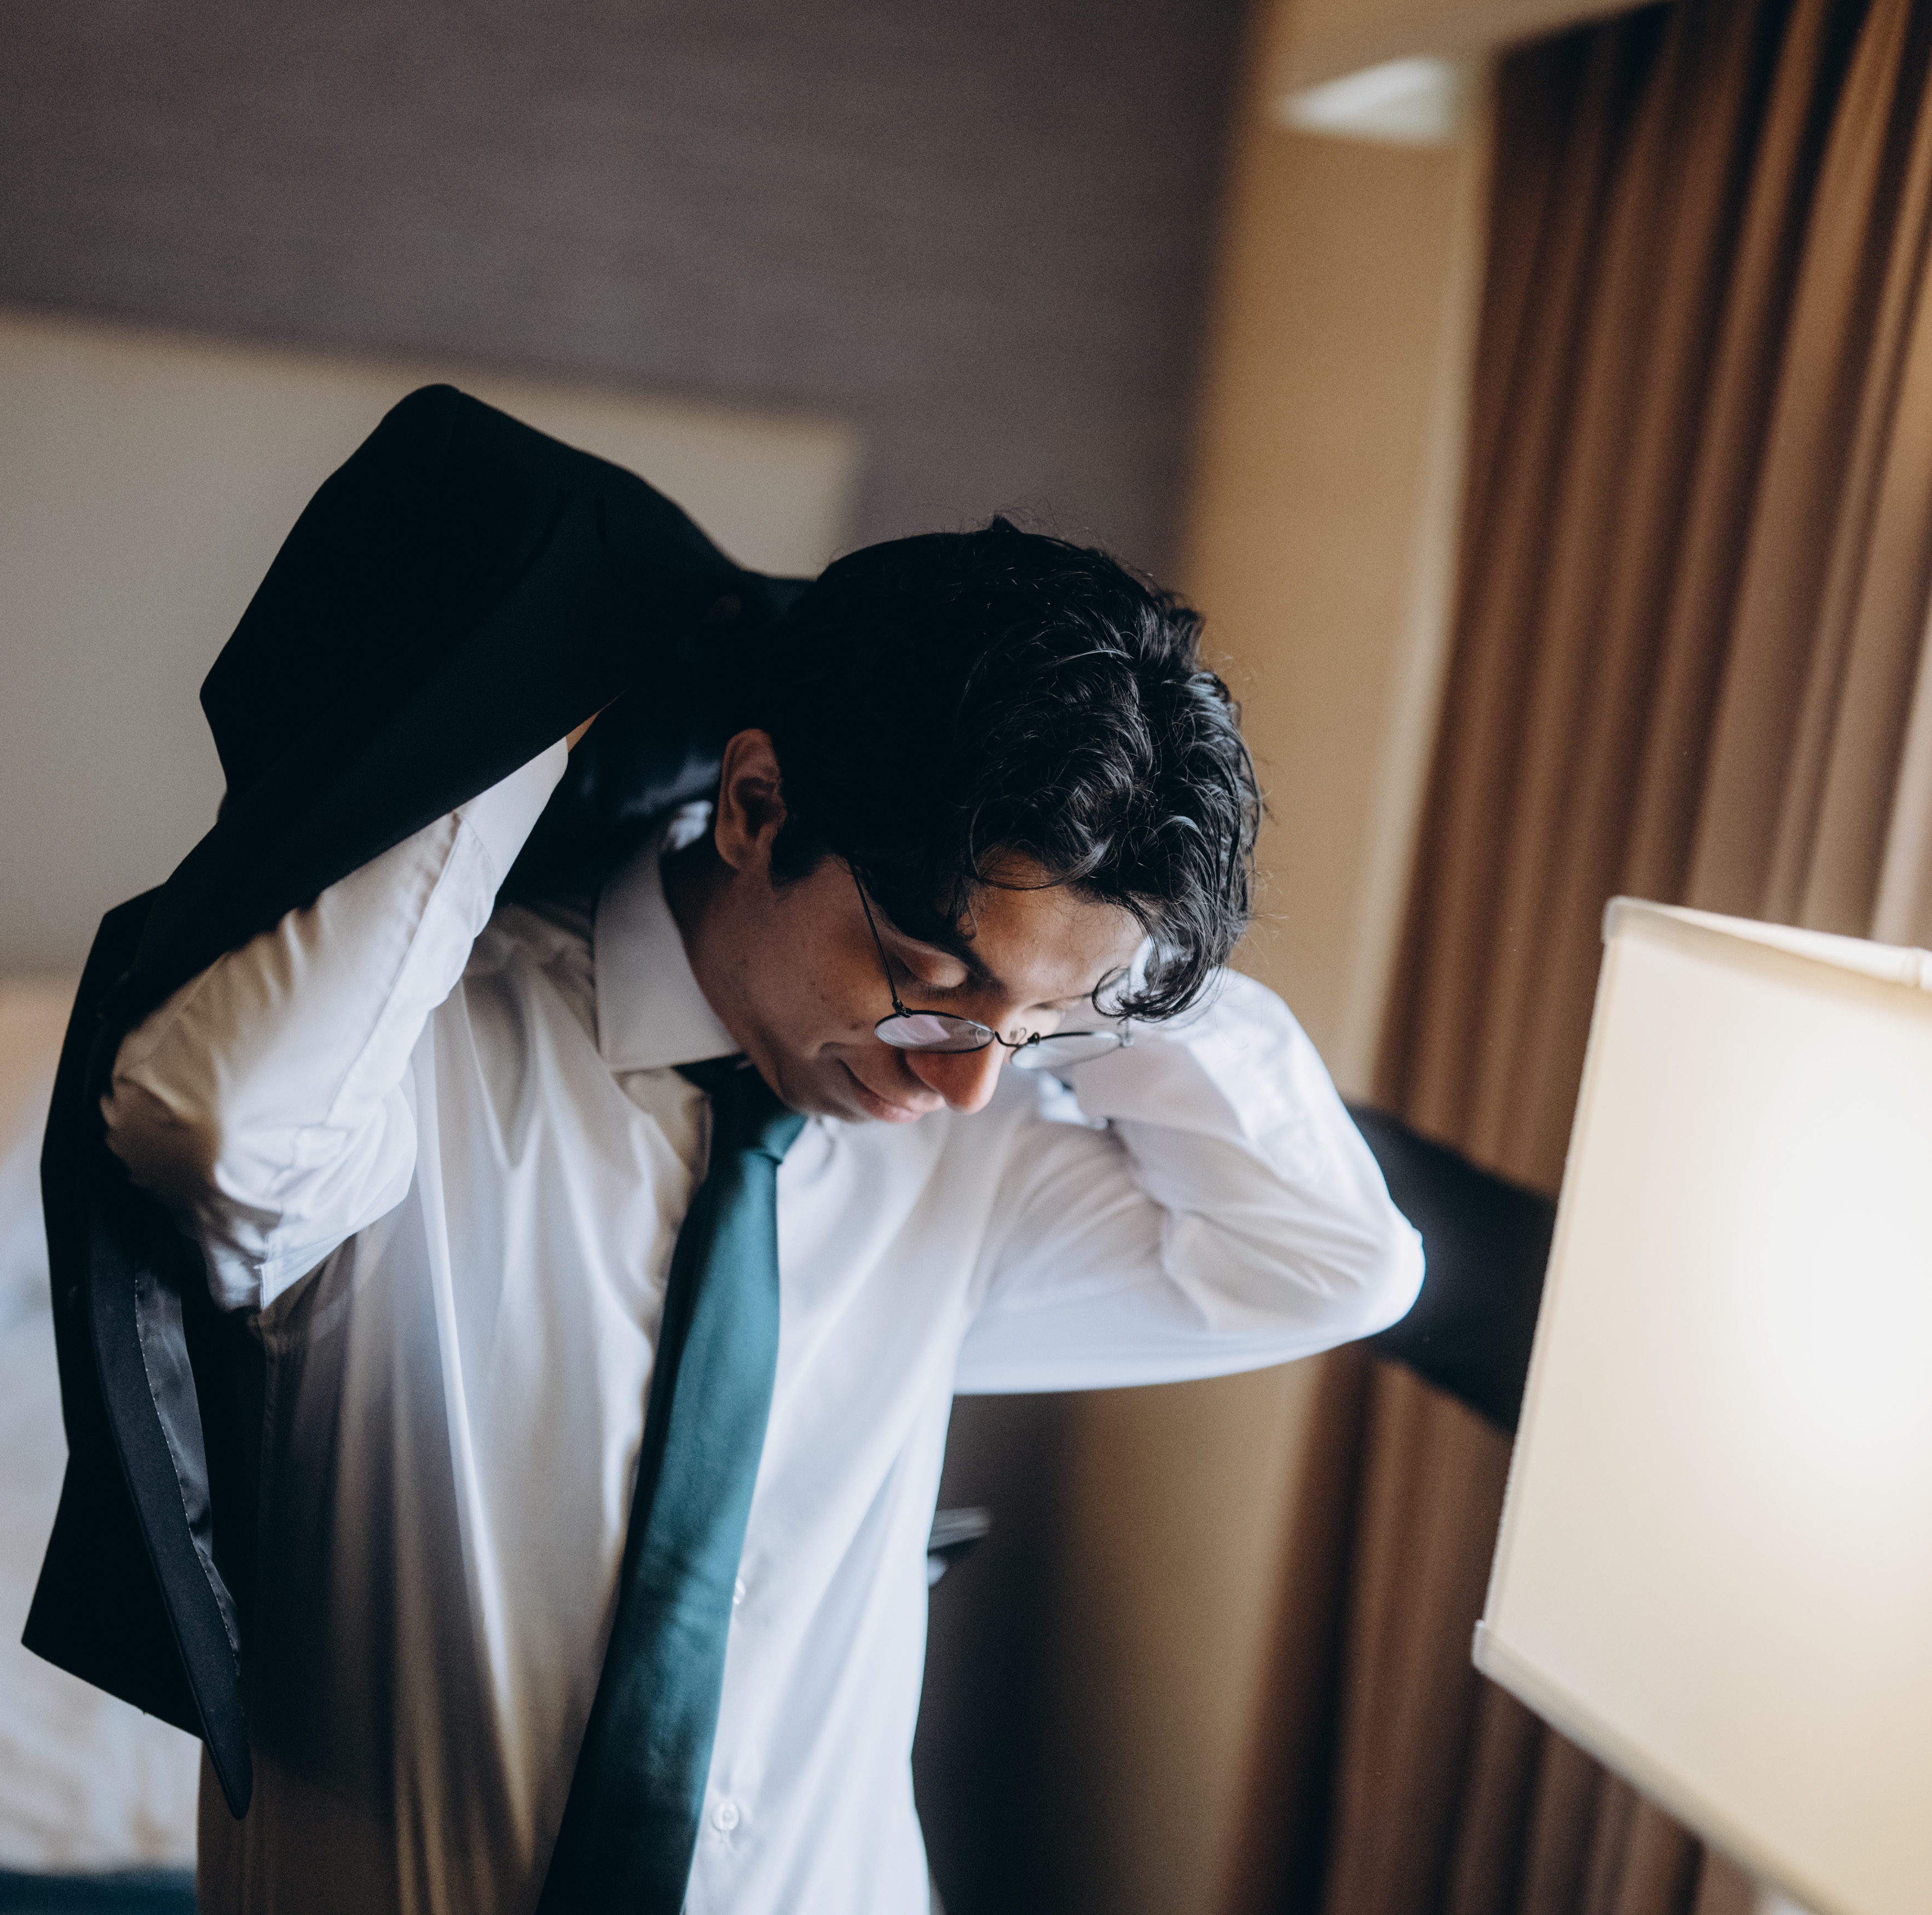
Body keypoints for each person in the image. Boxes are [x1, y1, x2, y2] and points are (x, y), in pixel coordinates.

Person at [95, 510, 1424, 1913]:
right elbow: (215, 1130)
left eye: (1042, 1032)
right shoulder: (411, 1070)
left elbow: (1335, 1264)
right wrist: (547, 689)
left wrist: (1100, 963)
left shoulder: (976, 1159)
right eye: (930, 977)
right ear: (754, 807)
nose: (967, 1085)